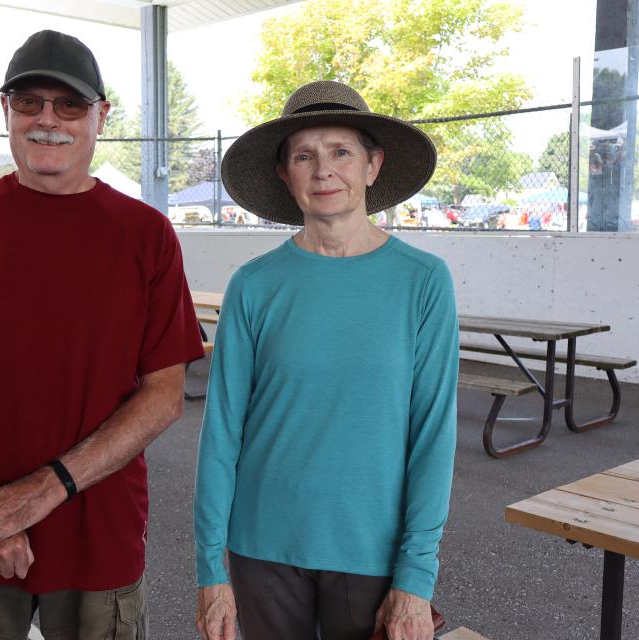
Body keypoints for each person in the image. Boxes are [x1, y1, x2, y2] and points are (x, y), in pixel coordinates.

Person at [0, 29, 204, 640]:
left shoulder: (146, 233)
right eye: (29, 103)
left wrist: (42, 491)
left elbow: (163, 395)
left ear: (100, 117)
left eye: (69, 105)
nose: (47, 120)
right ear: (6, 110)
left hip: (96, 534)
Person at [194, 81, 458, 640]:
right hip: (261, 546)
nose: (323, 170)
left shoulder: (423, 282)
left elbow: (432, 435)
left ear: (373, 165)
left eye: (341, 151)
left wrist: (417, 575)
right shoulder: (254, 285)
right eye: (304, 156)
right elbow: (221, 433)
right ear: (286, 176)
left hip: (372, 550)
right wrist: (210, 568)